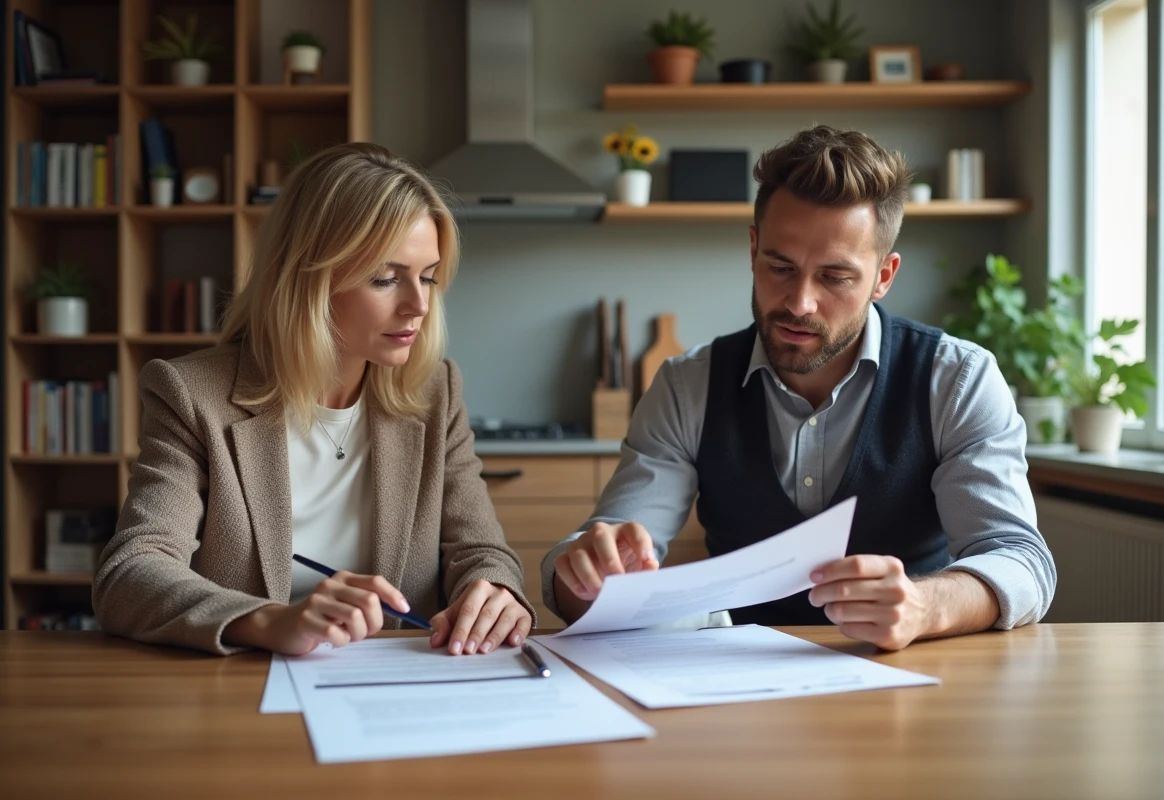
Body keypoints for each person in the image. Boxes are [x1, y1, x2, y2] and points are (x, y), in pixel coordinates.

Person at [543, 125, 1056, 650]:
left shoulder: (956, 379)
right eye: (780, 267)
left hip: (912, 681)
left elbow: (1020, 560)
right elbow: (594, 565)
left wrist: (926, 606)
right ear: (752, 248)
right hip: (737, 693)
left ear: (884, 276)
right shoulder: (686, 386)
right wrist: (586, 576)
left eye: (835, 277)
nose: (799, 303)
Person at [93, 142, 534, 657]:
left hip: (398, 689)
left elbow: (480, 550)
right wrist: (266, 621)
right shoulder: (192, 396)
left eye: (429, 277)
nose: (418, 304)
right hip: (243, 693)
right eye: (386, 279)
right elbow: (130, 572)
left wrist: (495, 590)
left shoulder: (436, 391)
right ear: (308, 279)